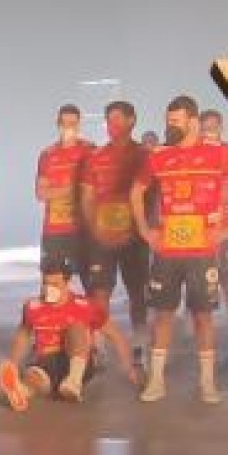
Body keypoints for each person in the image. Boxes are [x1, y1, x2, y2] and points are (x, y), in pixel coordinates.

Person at [132, 96, 228, 404]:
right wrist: (146, 231)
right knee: (163, 315)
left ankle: (207, 382)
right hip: (167, 251)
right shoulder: (160, 155)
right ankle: (156, 381)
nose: (170, 126)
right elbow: (136, 192)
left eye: (176, 121)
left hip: (203, 251)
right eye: (168, 121)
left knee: (203, 316)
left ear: (193, 121)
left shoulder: (218, 152)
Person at [0, 260, 136, 411]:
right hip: (46, 361)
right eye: (45, 283)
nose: (48, 288)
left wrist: (129, 367)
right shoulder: (32, 307)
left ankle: (73, 381)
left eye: (55, 284)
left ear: (67, 283)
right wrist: (12, 364)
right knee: (33, 378)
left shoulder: (84, 305)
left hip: (78, 359)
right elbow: (23, 336)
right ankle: (21, 391)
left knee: (76, 327)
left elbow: (115, 335)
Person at [79, 101, 150, 370]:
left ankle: (139, 345)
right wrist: (95, 230)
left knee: (137, 293)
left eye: (118, 120)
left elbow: (153, 197)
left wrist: (141, 229)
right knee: (99, 293)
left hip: (135, 238)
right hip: (101, 239)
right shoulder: (95, 156)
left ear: (132, 121)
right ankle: (98, 347)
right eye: (109, 121)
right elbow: (86, 198)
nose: (112, 126)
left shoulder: (145, 155)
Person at [35, 104, 94, 286]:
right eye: (64, 123)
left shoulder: (90, 150)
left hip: (84, 231)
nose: (68, 128)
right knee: (52, 290)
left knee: (93, 288)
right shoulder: (47, 154)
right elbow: (40, 193)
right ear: (58, 124)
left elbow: (97, 188)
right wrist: (73, 188)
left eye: (73, 123)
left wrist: (58, 191)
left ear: (79, 125)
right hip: (54, 231)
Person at [201, 109, 228, 345]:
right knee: (198, 283)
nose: (209, 132)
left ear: (221, 127)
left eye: (213, 127)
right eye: (205, 127)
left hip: (222, 230)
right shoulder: (195, 152)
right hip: (198, 230)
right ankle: (196, 331)